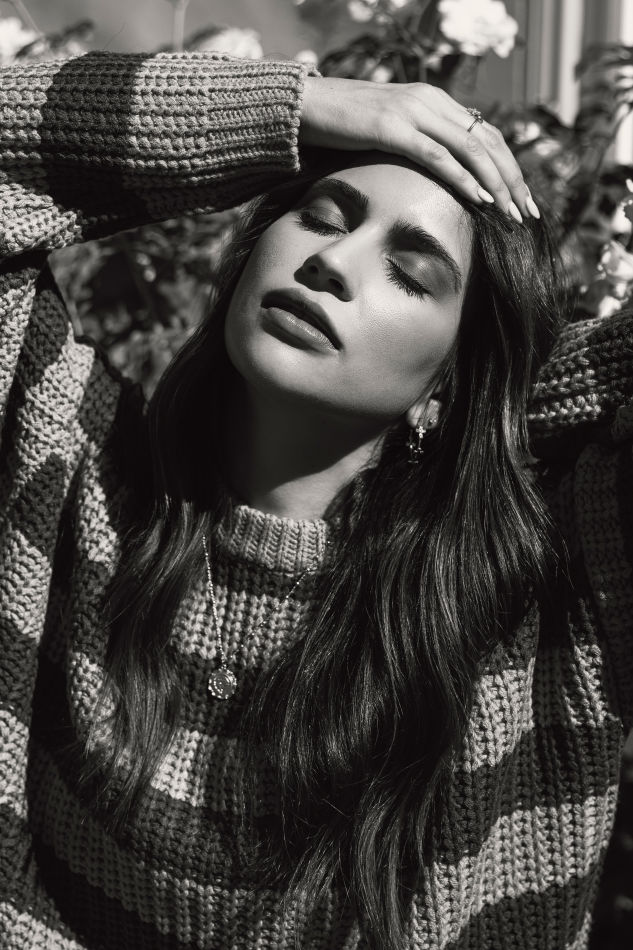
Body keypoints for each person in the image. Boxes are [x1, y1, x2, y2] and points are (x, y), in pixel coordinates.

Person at [0, 50, 631, 950]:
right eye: (321, 217)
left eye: (410, 273)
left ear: (450, 379)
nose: (331, 261)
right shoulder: (71, 460)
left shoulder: (544, 598)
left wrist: (513, 403)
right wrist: (297, 110)